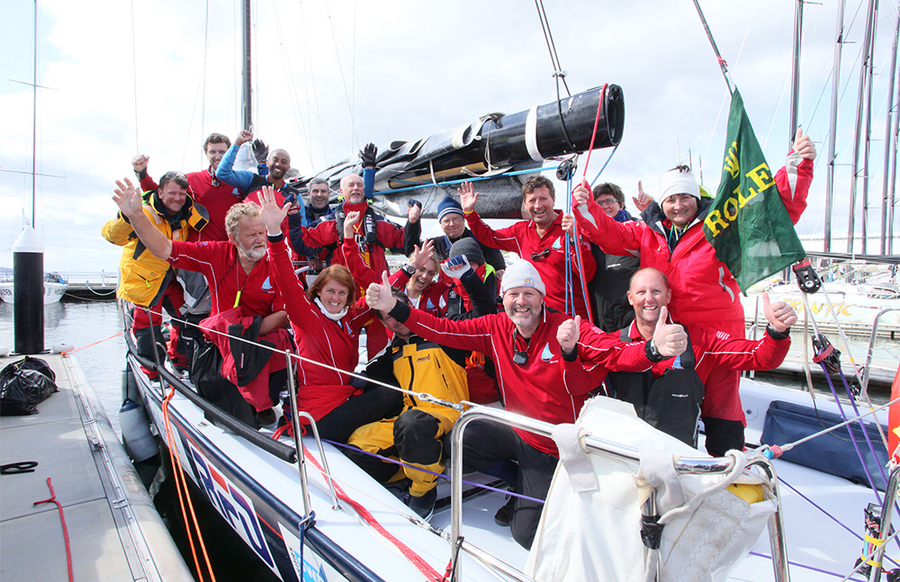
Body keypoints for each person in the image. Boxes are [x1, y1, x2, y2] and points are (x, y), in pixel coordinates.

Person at [365, 259, 687, 548]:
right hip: (517, 431)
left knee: (526, 534)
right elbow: (443, 329)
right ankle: (516, 477)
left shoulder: (566, 328)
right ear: (502, 299)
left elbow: (615, 354)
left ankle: (551, 492)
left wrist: (652, 350)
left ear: (541, 298)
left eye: (529, 294)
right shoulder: (494, 328)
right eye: (513, 294)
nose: (521, 302)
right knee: (458, 441)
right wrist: (394, 306)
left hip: (553, 446)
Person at [572, 128, 816, 455]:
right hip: (669, 334)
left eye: (684, 197)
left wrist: (798, 166)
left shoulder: (721, 227)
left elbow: (771, 214)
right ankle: (665, 465)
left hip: (715, 336)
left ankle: (726, 474)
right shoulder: (648, 231)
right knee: (667, 408)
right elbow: (610, 234)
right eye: (670, 198)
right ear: (663, 202)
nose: (677, 205)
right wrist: (585, 206)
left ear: (696, 198)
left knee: (722, 408)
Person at [111, 178, 291, 425]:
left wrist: (241, 332)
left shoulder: (276, 263)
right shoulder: (216, 253)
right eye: (252, 234)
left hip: (260, 349)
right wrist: (135, 216)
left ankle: (266, 402)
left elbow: (285, 315)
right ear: (233, 237)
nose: (260, 240)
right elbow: (165, 249)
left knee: (280, 341)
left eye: (262, 233)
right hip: (221, 349)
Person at [258, 188, 402, 442]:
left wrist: (410, 269)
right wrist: (274, 233)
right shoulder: (305, 315)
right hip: (320, 414)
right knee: (394, 396)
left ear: (349, 297)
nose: (335, 298)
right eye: (330, 292)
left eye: (342, 293)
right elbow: (284, 275)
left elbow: (381, 292)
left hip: (343, 397)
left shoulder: (350, 318)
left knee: (389, 371)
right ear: (318, 291)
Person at [599, 268, 797, 448]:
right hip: (624, 458)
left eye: (656, 291)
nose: (649, 299)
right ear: (630, 298)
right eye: (641, 292)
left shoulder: (700, 342)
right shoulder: (614, 344)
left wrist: (777, 332)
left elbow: (759, 357)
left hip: (679, 463)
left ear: (668, 296)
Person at [103, 171, 208, 377]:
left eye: (181, 193)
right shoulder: (143, 213)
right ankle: (151, 372)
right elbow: (111, 236)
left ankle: (182, 364)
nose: (177, 198)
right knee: (147, 324)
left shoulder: (187, 215)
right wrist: (128, 215)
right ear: (160, 193)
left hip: (173, 279)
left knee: (186, 318)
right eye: (172, 193)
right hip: (146, 281)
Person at [460, 176, 595, 321]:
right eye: (532, 200)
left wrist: (575, 239)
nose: (537, 205)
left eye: (543, 198)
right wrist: (469, 213)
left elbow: (588, 274)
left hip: (573, 319)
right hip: (538, 320)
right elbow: (489, 236)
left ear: (553, 200)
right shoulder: (520, 232)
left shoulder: (571, 228)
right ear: (525, 204)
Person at [132, 132, 240, 242]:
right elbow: (160, 194)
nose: (217, 156)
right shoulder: (192, 179)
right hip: (198, 249)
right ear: (206, 154)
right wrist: (142, 173)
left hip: (231, 250)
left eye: (222, 152)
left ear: (229, 153)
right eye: (212, 152)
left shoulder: (240, 180)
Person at [405, 194, 506, 278]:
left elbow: (499, 267)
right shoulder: (435, 245)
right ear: (441, 224)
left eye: (456, 218)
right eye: (446, 221)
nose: (452, 224)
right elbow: (410, 251)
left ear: (463, 219)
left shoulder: (481, 240)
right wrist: (413, 222)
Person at [587, 182, 640, 333]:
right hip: (602, 317)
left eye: (609, 201)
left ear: (621, 205)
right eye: (599, 203)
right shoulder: (588, 239)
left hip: (632, 317)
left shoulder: (637, 232)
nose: (604, 206)